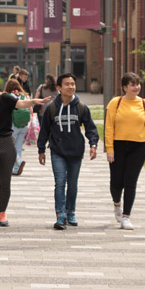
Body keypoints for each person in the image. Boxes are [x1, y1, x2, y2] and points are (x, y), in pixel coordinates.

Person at [0, 72, 51, 230]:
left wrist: (35, 101)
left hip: (7, 143)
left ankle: (2, 213)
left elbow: (21, 104)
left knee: (5, 182)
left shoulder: (5, 98)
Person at [38, 73, 99, 230]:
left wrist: (93, 144)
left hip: (76, 151)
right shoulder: (51, 107)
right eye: (67, 84)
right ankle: (60, 215)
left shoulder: (81, 107)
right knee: (60, 183)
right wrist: (41, 150)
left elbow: (91, 128)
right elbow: (44, 130)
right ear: (59, 88)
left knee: (72, 184)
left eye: (73, 83)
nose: (71, 86)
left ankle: (70, 211)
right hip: (57, 151)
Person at [104, 72, 145, 230]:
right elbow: (109, 127)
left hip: (138, 147)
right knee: (116, 183)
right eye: (132, 85)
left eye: (138, 84)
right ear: (125, 87)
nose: (136, 87)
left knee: (130, 181)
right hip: (118, 146)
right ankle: (117, 204)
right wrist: (109, 149)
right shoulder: (115, 103)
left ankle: (126, 217)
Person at [3, 79, 31, 176]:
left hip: (12, 124)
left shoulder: (9, 97)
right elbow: (30, 110)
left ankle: (18, 160)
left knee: (10, 147)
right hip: (24, 125)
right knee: (18, 147)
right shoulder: (25, 96)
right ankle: (15, 168)